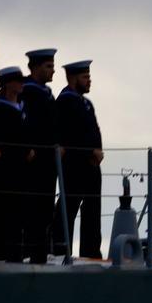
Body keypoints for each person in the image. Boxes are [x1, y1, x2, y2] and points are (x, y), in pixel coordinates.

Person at [55, 59, 103, 258]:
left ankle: (91, 251)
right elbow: (70, 133)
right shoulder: (65, 101)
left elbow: (94, 130)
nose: (89, 81)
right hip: (74, 164)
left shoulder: (85, 103)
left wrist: (98, 152)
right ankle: (59, 249)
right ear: (74, 78)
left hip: (91, 166)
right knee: (68, 207)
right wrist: (89, 152)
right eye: (85, 77)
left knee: (92, 210)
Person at [0, 66, 34, 262]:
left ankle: (17, 250)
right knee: (3, 212)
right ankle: (0, 252)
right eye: (18, 81)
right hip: (5, 169)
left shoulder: (23, 107)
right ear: (7, 84)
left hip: (22, 168)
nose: (22, 84)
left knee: (19, 212)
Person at [20, 48, 58, 263]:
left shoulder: (46, 93)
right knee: (32, 209)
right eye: (48, 66)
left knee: (45, 210)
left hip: (48, 163)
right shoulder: (28, 92)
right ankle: (31, 253)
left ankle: (40, 253)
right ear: (35, 67)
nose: (52, 70)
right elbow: (27, 124)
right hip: (35, 162)